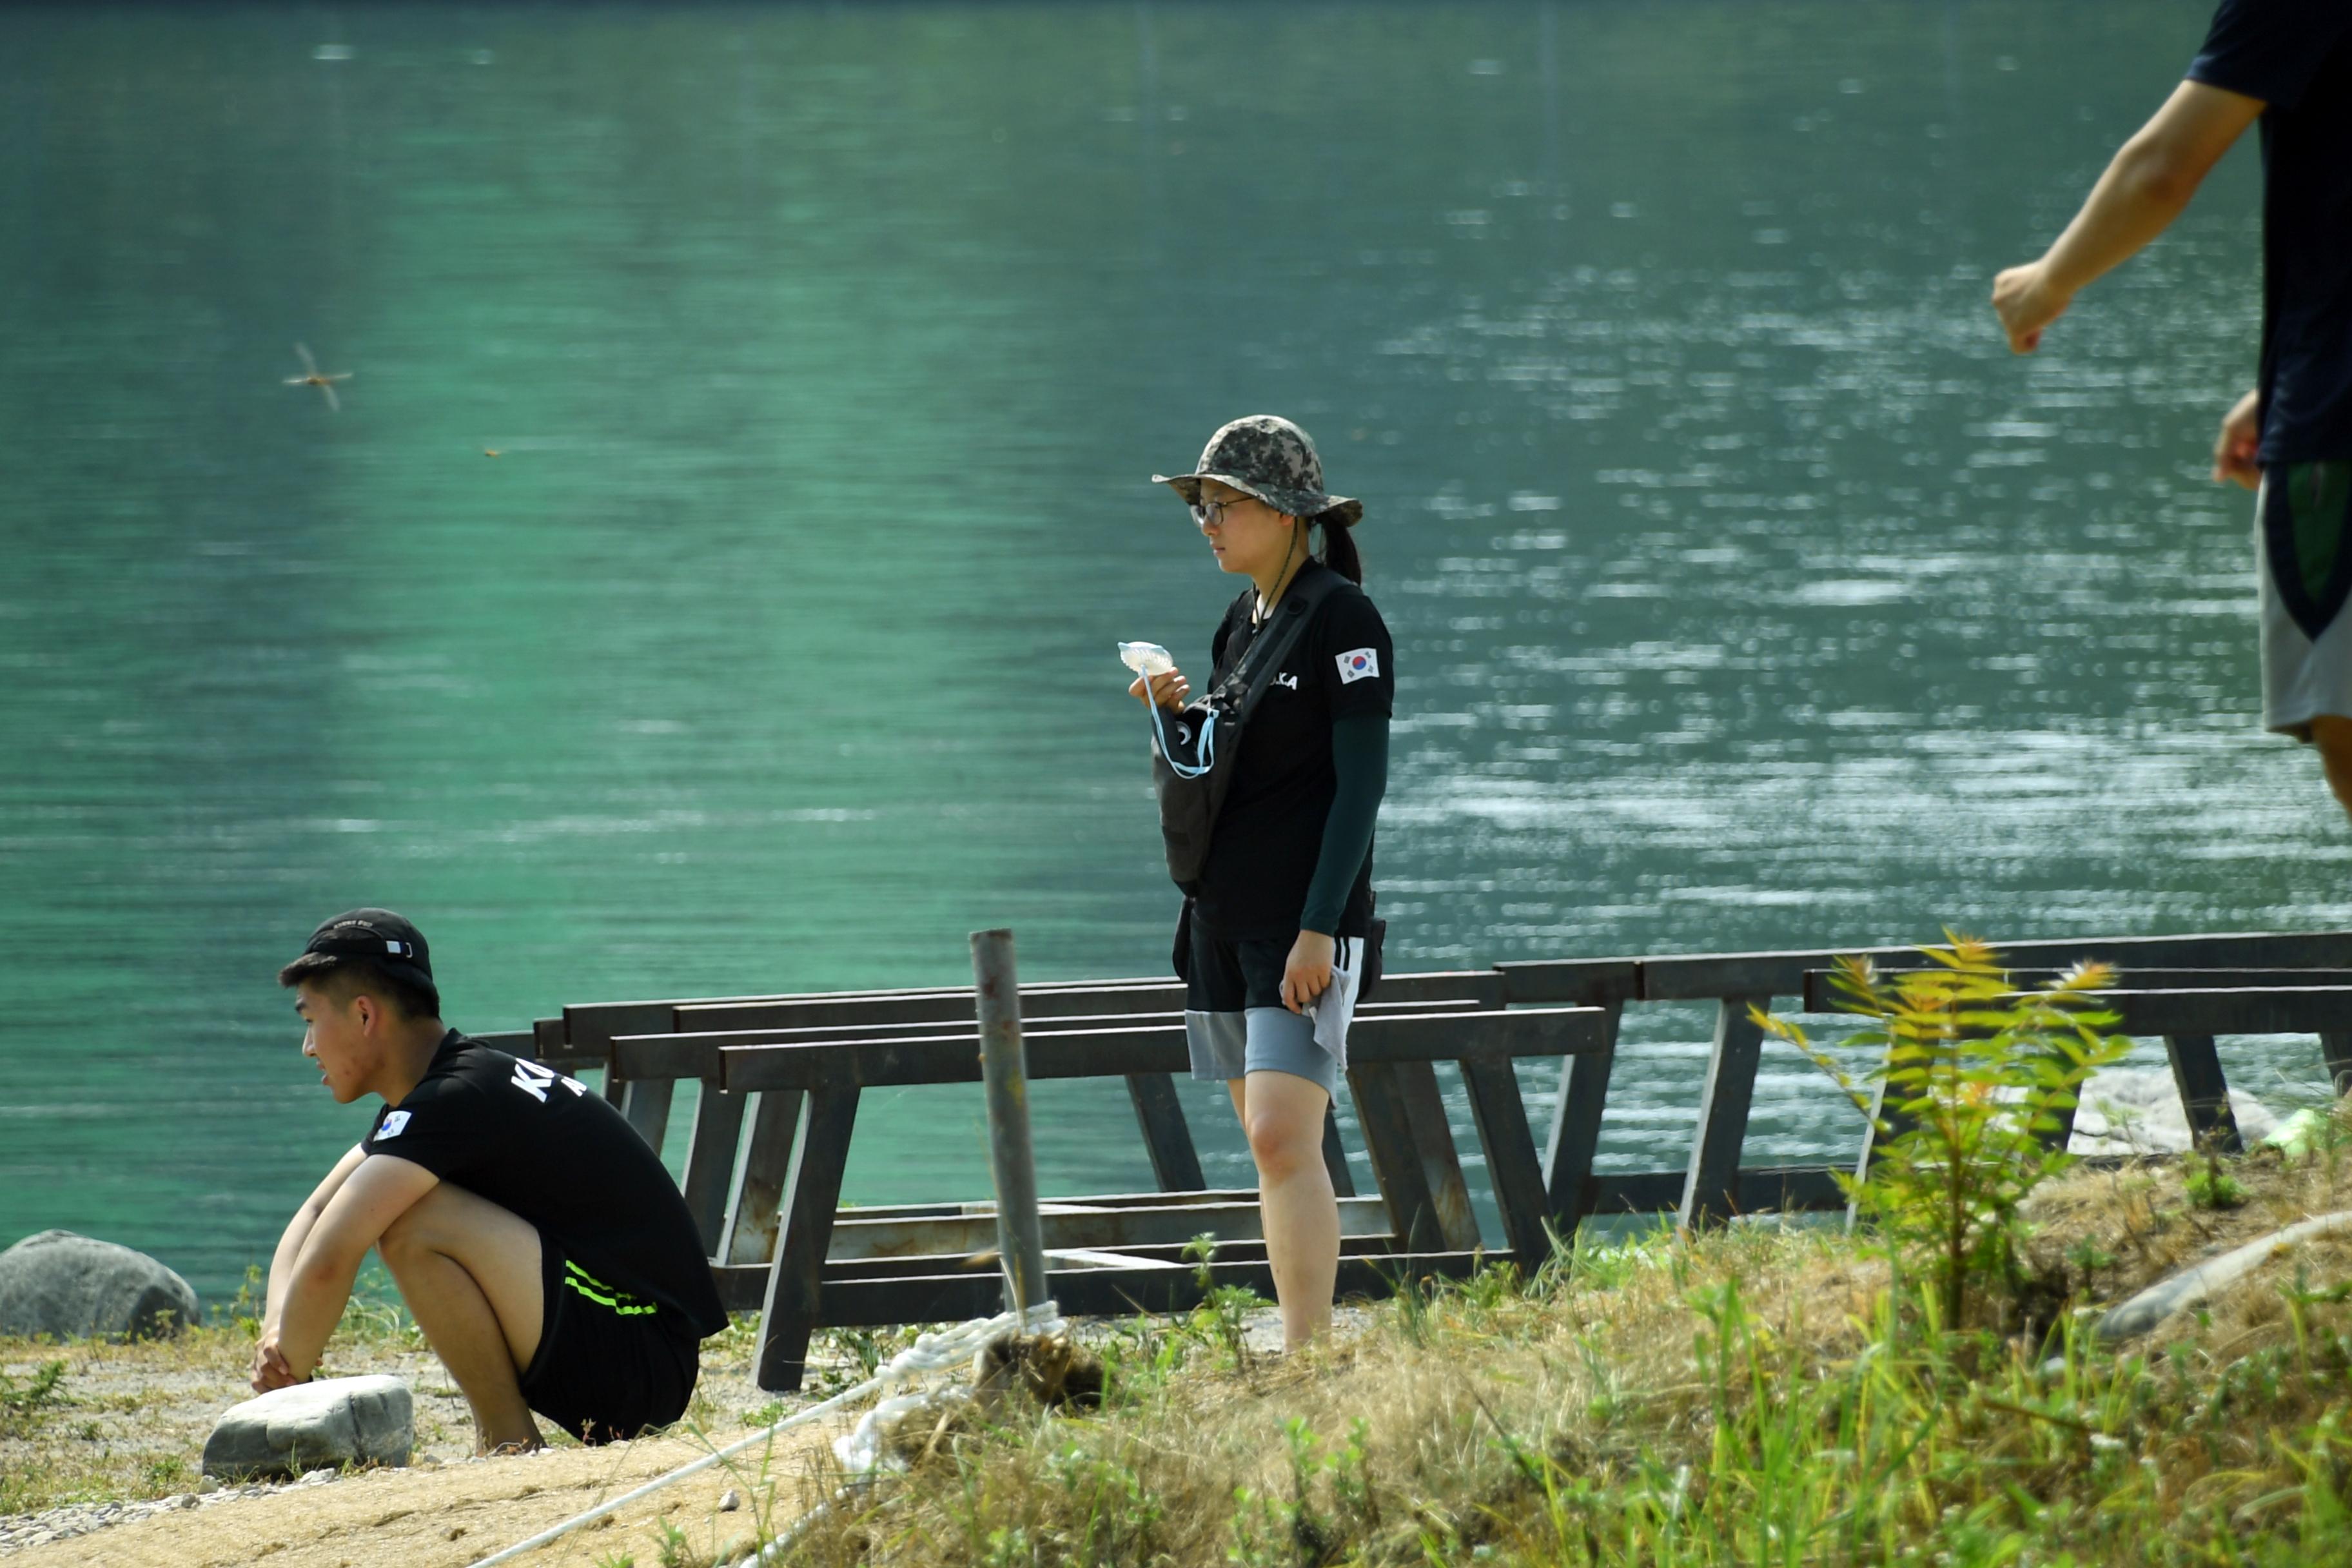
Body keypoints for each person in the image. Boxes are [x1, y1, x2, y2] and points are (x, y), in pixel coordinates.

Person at [1992, 1, 2352, 813]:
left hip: (2340, 422)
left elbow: (2164, 168)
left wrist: (2045, 285)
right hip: (2321, 386)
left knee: (2346, 722)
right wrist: (2278, 387)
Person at [255, 909, 727, 1449]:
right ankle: (506, 1439)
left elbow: (334, 1252)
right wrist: (276, 1333)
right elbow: (317, 1214)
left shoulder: (456, 1098)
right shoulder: (444, 1092)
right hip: (627, 1345)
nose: (308, 1047)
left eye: (311, 1021)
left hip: (639, 1361)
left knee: (415, 1221)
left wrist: (283, 1378)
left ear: (364, 1015)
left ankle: (509, 1443)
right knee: (401, 1211)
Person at [1131, 415, 1393, 1349]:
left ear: (1283, 513)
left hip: (1301, 925)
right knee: (1266, 1144)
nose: (1206, 520)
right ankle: (1300, 1338)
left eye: (1222, 504)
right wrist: (1173, 714)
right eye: (1199, 505)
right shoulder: (1239, 624)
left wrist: (1321, 927)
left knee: (1286, 1134)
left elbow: (1361, 785)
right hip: (1221, 920)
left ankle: (1310, 1356)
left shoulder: (1342, 618)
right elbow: (1223, 767)